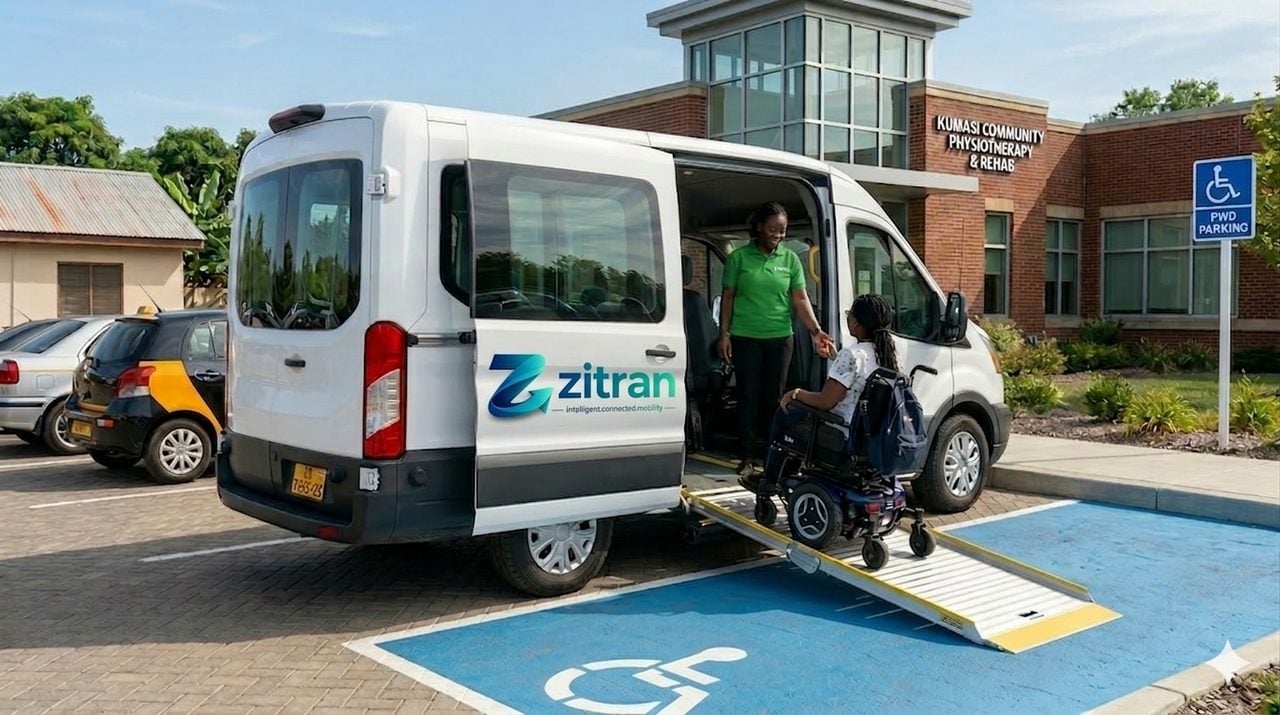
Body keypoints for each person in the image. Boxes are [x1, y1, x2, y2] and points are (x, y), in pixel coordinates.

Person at [717, 201, 834, 478]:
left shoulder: (790, 260)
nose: (778, 235)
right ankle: (746, 456)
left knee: (774, 399)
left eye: (782, 231)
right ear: (759, 228)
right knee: (748, 397)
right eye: (772, 229)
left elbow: (800, 299)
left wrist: (816, 331)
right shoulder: (739, 259)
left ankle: (771, 453)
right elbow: (728, 298)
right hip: (745, 337)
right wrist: (724, 334)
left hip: (780, 339)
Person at [748, 293, 901, 496]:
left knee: (787, 413)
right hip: (870, 438)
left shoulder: (853, 355)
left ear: (856, 324)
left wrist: (795, 393)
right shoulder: (889, 356)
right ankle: (784, 476)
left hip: (842, 434)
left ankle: (769, 480)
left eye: (850, 314)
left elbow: (825, 402)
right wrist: (836, 357)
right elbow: (860, 382)